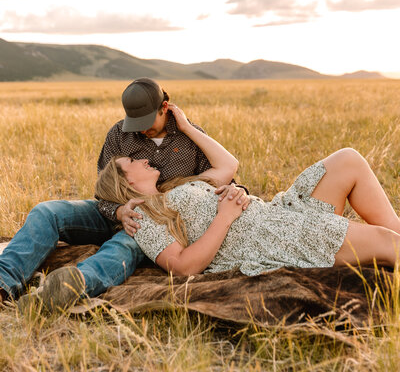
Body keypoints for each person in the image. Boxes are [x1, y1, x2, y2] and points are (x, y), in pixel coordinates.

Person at [35, 103, 400, 312]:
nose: (139, 157)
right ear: (125, 182)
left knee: (348, 160)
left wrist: (184, 124)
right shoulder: (143, 217)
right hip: (267, 237)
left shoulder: (177, 184)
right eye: (129, 161)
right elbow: (183, 266)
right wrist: (225, 216)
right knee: (386, 244)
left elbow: (228, 165)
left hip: (274, 212)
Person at [0, 78, 247, 310]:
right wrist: (118, 212)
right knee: (48, 212)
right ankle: (3, 283)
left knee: (124, 246)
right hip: (114, 212)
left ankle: (70, 287)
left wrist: (238, 192)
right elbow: (104, 190)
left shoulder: (191, 136)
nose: (141, 131)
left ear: (164, 107)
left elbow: (221, 179)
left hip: (159, 221)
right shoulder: (119, 135)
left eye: (147, 122)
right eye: (135, 123)